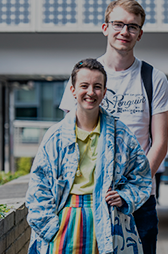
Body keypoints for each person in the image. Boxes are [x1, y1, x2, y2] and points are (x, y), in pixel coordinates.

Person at [59, 0, 168, 254]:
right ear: (105, 27)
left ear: (140, 34)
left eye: (132, 26)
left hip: (138, 201)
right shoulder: (83, 75)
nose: (125, 32)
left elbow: (160, 143)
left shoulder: (154, 78)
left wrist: (132, 189)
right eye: (118, 24)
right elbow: (67, 139)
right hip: (87, 199)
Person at [26, 59, 152, 254]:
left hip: (107, 222)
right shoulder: (55, 136)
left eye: (97, 87)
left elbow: (142, 176)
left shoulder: (121, 134)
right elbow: (38, 185)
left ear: (104, 91)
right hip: (62, 221)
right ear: (73, 90)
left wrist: (125, 195)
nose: (91, 92)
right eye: (84, 86)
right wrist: (48, 227)